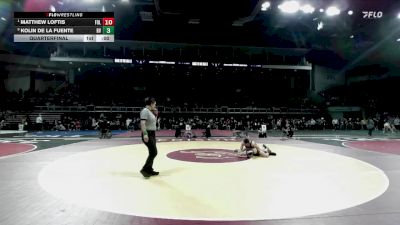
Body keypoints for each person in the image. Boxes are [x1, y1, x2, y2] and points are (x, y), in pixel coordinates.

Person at [140, 97, 159, 178]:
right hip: (148, 133)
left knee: (152, 152)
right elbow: (142, 123)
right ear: (151, 103)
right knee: (154, 152)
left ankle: (149, 169)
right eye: (154, 103)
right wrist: (145, 134)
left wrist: (155, 113)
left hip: (152, 134)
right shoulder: (145, 111)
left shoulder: (150, 111)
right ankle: (144, 169)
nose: (155, 105)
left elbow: (152, 122)